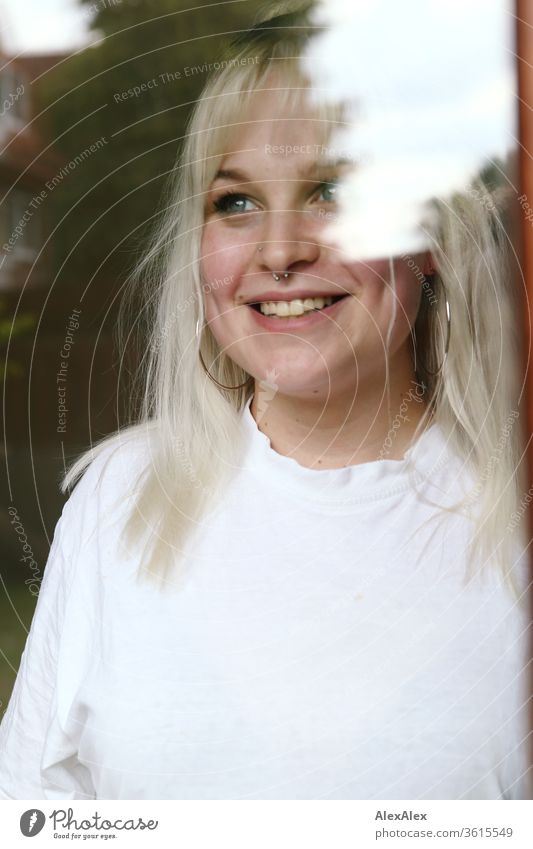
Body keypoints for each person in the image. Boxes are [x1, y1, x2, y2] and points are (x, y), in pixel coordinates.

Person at [0, 2, 531, 800]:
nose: (279, 250)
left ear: (426, 241)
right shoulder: (119, 501)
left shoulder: (512, 522)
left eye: (330, 190)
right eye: (236, 203)